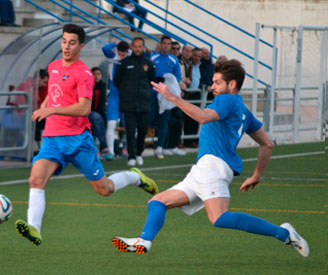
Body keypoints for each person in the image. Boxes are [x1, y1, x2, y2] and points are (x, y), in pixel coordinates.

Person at [112, 59, 310, 258]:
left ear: (231, 85)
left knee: (219, 218)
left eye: (216, 82)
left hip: (213, 166)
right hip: (203, 169)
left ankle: (284, 233)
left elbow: (203, 117)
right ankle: (144, 240)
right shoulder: (243, 110)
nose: (212, 86)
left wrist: (172, 97)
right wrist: (256, 175)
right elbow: (267, 144)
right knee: (158, 202)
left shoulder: (227, 100)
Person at [14, 24, 159, 246]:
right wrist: (44, 108)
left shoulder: (84, 74)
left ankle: (134, 176)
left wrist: (51, 109)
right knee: (36, 179)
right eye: (64, 41)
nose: (66, 46)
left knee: (104, 189)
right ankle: (34, 228)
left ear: (81, 45)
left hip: (78, 140)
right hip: (52, 138)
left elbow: (84, 109)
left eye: (72, 43)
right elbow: (54, 96)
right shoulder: (53, 67)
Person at [113, 37, 156, 166]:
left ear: (143, 47)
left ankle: (139, 153)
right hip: (128, 103)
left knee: (143, 129)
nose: (137, 49)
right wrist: (126, 92)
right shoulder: (124, 63)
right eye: (135, 46)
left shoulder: (149, 63)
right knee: (130, 130)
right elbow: (117, 81)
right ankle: (131, 156)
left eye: (140, 46)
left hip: (144, 102)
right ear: (131, 47)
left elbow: (151, 80)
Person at [150, 35, 181, 159]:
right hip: (153, 94)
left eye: (169, 44)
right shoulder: (152, 58)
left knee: (164, 121)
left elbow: (177, 77)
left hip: (166, 96)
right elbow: (147, 73)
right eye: (164, 43)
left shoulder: (174, 60)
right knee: (148, 119)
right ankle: (140, 147)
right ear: (160, 44)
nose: (166, 46)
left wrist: (168, 80)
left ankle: (159, 148)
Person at [102, 40, 130, 160]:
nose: (122, 56)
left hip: (127, 94)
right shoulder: (112, 53)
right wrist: (115, 43)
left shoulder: (130, 55)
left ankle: (128, 149)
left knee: (129, 124)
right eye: (121, 53)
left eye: (124, 53)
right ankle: (111, 152)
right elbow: (105, 48)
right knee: (111, 124)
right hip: (114, 94)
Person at [183, 47, 202, 148]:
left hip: (197, 93)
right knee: (188, 118)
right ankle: (187, 140)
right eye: (195, 55)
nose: (197, 58)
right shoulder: (188, 65)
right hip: (188, 93)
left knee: (196, 117)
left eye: (199, 56)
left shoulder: (201, 67)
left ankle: (194, 139)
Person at [89, 67, 107, 152]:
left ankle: (102, 145)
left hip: (100, 112)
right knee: (95, 118)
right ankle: (102, 145)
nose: (96, 76)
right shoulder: (88, 86)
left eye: (98, 74)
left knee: (101, 119)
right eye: (94, 74)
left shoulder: (103, 86)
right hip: (88, 112)